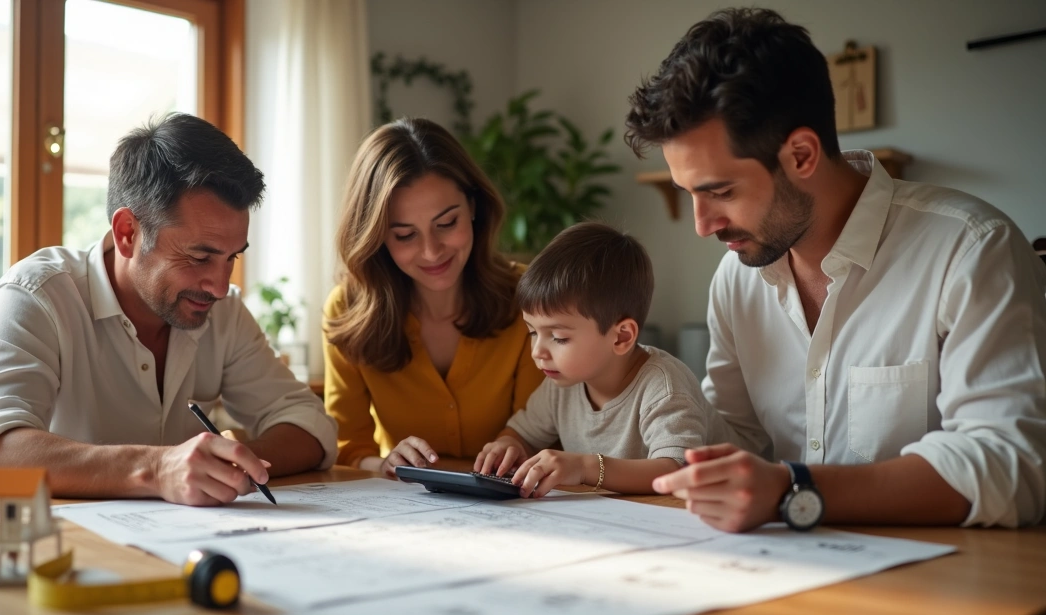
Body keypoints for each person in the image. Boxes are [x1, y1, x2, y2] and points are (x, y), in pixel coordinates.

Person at [623, 8, 1046, 531]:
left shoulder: (971, 250)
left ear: (802, 155)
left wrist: (794, 490)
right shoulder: (736, 281)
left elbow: (1012, 466)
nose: (702, 225)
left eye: (721, 191)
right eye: (688, 193)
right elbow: (738, 440)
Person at [0, 113, 337, 505]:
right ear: (128, 233)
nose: (219, 286)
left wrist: (230, 464)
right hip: (1, 537)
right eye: (200, 258)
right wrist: (158, 469)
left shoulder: (224, 311)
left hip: (152, 536)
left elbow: (310, 425)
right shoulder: (36, 295)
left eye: (232, 257)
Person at [323, 118, 545, 477]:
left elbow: (542, 429)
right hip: (405, 501)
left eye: (446, 224)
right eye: (405, 235)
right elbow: (347, 447)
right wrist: (385, 464)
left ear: (473, 207)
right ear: (377, 237)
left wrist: (514, 447)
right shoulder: (346, 310)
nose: (431, 251)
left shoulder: (531, 297)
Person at [473, 222, 729, 498]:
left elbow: (676, 472)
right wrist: (508, 445)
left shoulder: (664, 387)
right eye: (533, 332)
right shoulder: (562, 385)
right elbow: (521, 434)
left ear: (621, 337)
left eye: (558, 337)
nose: (537, 351)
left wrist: (584, 467)